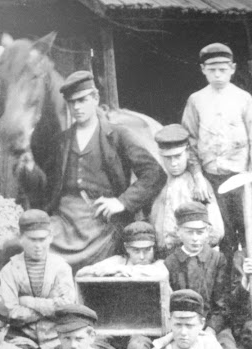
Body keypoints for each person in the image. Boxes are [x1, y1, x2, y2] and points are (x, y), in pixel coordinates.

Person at [20, 71, 166, 272]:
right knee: (30, 249)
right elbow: (47, 185)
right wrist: (28, 170)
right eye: (72, 103)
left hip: (101, 220)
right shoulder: (61, 141)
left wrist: (122, 202)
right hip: (64, 219)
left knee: (89, 265)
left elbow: (154, 173)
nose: (77, 107)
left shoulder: (117, 135)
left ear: (95, 98)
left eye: (82, 100)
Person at [77, 221, 168, 349]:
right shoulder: (117, 261)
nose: (142, 256)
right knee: (91, 347)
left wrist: (129, 272)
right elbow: (82, 273)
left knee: (137, 347)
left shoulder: (158, 264)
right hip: (115, 332)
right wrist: (113, 270)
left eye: (147, 250)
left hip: (145, 333)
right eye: (136, 251)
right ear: (126, 248)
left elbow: (160, 274)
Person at [181, 43, 252, 265]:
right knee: (221, 234)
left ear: (233, 68)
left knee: (247, 232)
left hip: (241, 179)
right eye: (212, 70)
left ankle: (245, 282)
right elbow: (189, 140)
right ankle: (224, 280)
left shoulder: (244, 99)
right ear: (203, 69)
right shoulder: (196, 100)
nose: (218, 74)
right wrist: (198, 176)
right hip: (211, 180)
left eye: (223, 69)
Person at [164, 202, 238, 349]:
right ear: (178, 232)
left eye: (200, 232)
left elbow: (222, 304)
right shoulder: (170, 263)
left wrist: (210, 330)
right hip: (180, 327)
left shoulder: (218, 260)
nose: (195, 238)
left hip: (212, 325)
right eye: (189, 232)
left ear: (208, 232)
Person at [0, 209, 76, 349]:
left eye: (42, 239)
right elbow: (11, 312)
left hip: (57, 337)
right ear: (21, 238)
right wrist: (50, 307)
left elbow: (66, 307)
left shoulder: (61, 267)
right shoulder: (9, 270)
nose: (38, 245)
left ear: (50, 238)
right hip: (22, 338)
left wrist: (28, 301)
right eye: (32, 240)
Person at [149, 124, 223, 257]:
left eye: (178, 156)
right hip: (162, 255)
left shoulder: (198, 185)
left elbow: (216, 231)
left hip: (190, 255)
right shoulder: (157, 182)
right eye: (167, 158)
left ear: (187, 153)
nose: (173, 163)